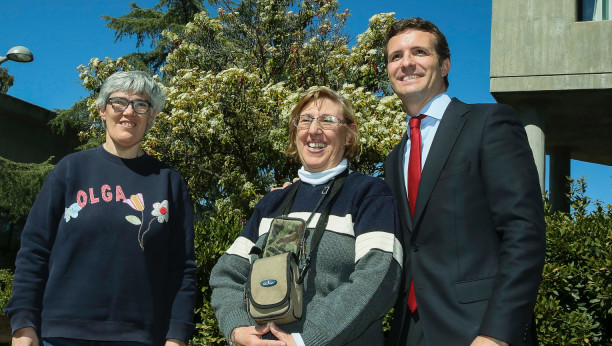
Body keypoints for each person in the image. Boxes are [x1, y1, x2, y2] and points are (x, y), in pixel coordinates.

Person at [383, 18, 546, 345]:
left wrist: (497, 334)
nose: (407, 63)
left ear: (444, 65)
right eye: (395, 56)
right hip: (408, 331)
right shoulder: (393, 159)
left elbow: (523, 231)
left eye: (419, 52)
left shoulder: (489, 123)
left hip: (478, 330)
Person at [5, 71, 198, 346]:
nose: (129, 112)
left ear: (151, 116)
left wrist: (177, 336)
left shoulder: (169, 182)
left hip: (140, 338)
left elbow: (182, 269)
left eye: (140, 105)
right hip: (61, 335)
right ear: (102, 111)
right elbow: (34, 251)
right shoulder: (70, 170)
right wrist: (23, 324)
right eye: (118, 102)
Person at [209, 87, 403, 345]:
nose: (314, 130)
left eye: (327, 120)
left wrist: (305, 340)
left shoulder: (369, 194)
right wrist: (237, 329)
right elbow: (226, 274)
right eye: (305, 120)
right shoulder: (271, 204)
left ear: (348, 134)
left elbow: (380, 276)